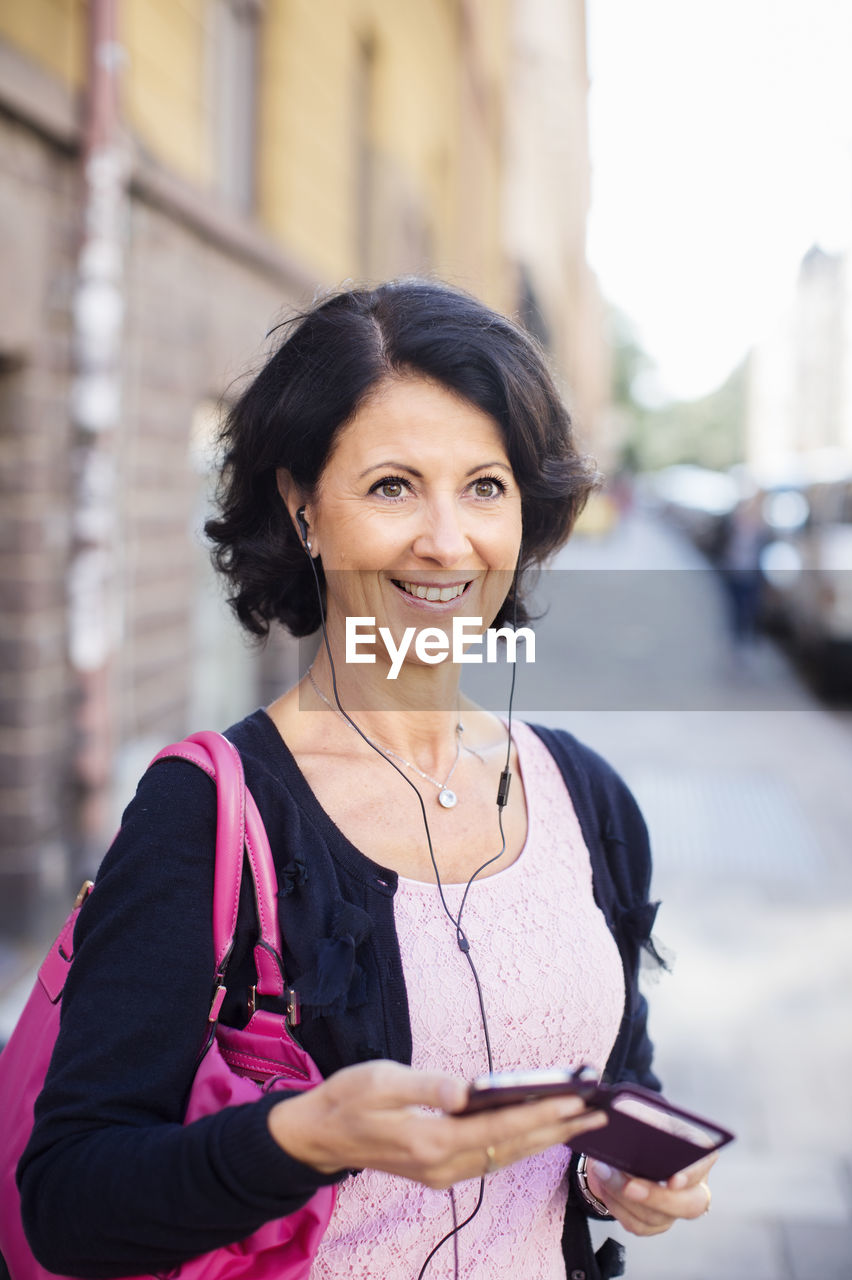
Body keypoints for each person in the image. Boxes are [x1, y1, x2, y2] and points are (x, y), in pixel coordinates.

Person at [18, 280, 716, 1280]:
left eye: (485, 485)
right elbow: (68, 1200)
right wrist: (303, 1135)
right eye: (393, 485)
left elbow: (615, 1071)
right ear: (302, 508)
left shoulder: (587, 796)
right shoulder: (207, 810)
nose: (446, 539)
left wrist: (622, 1171)